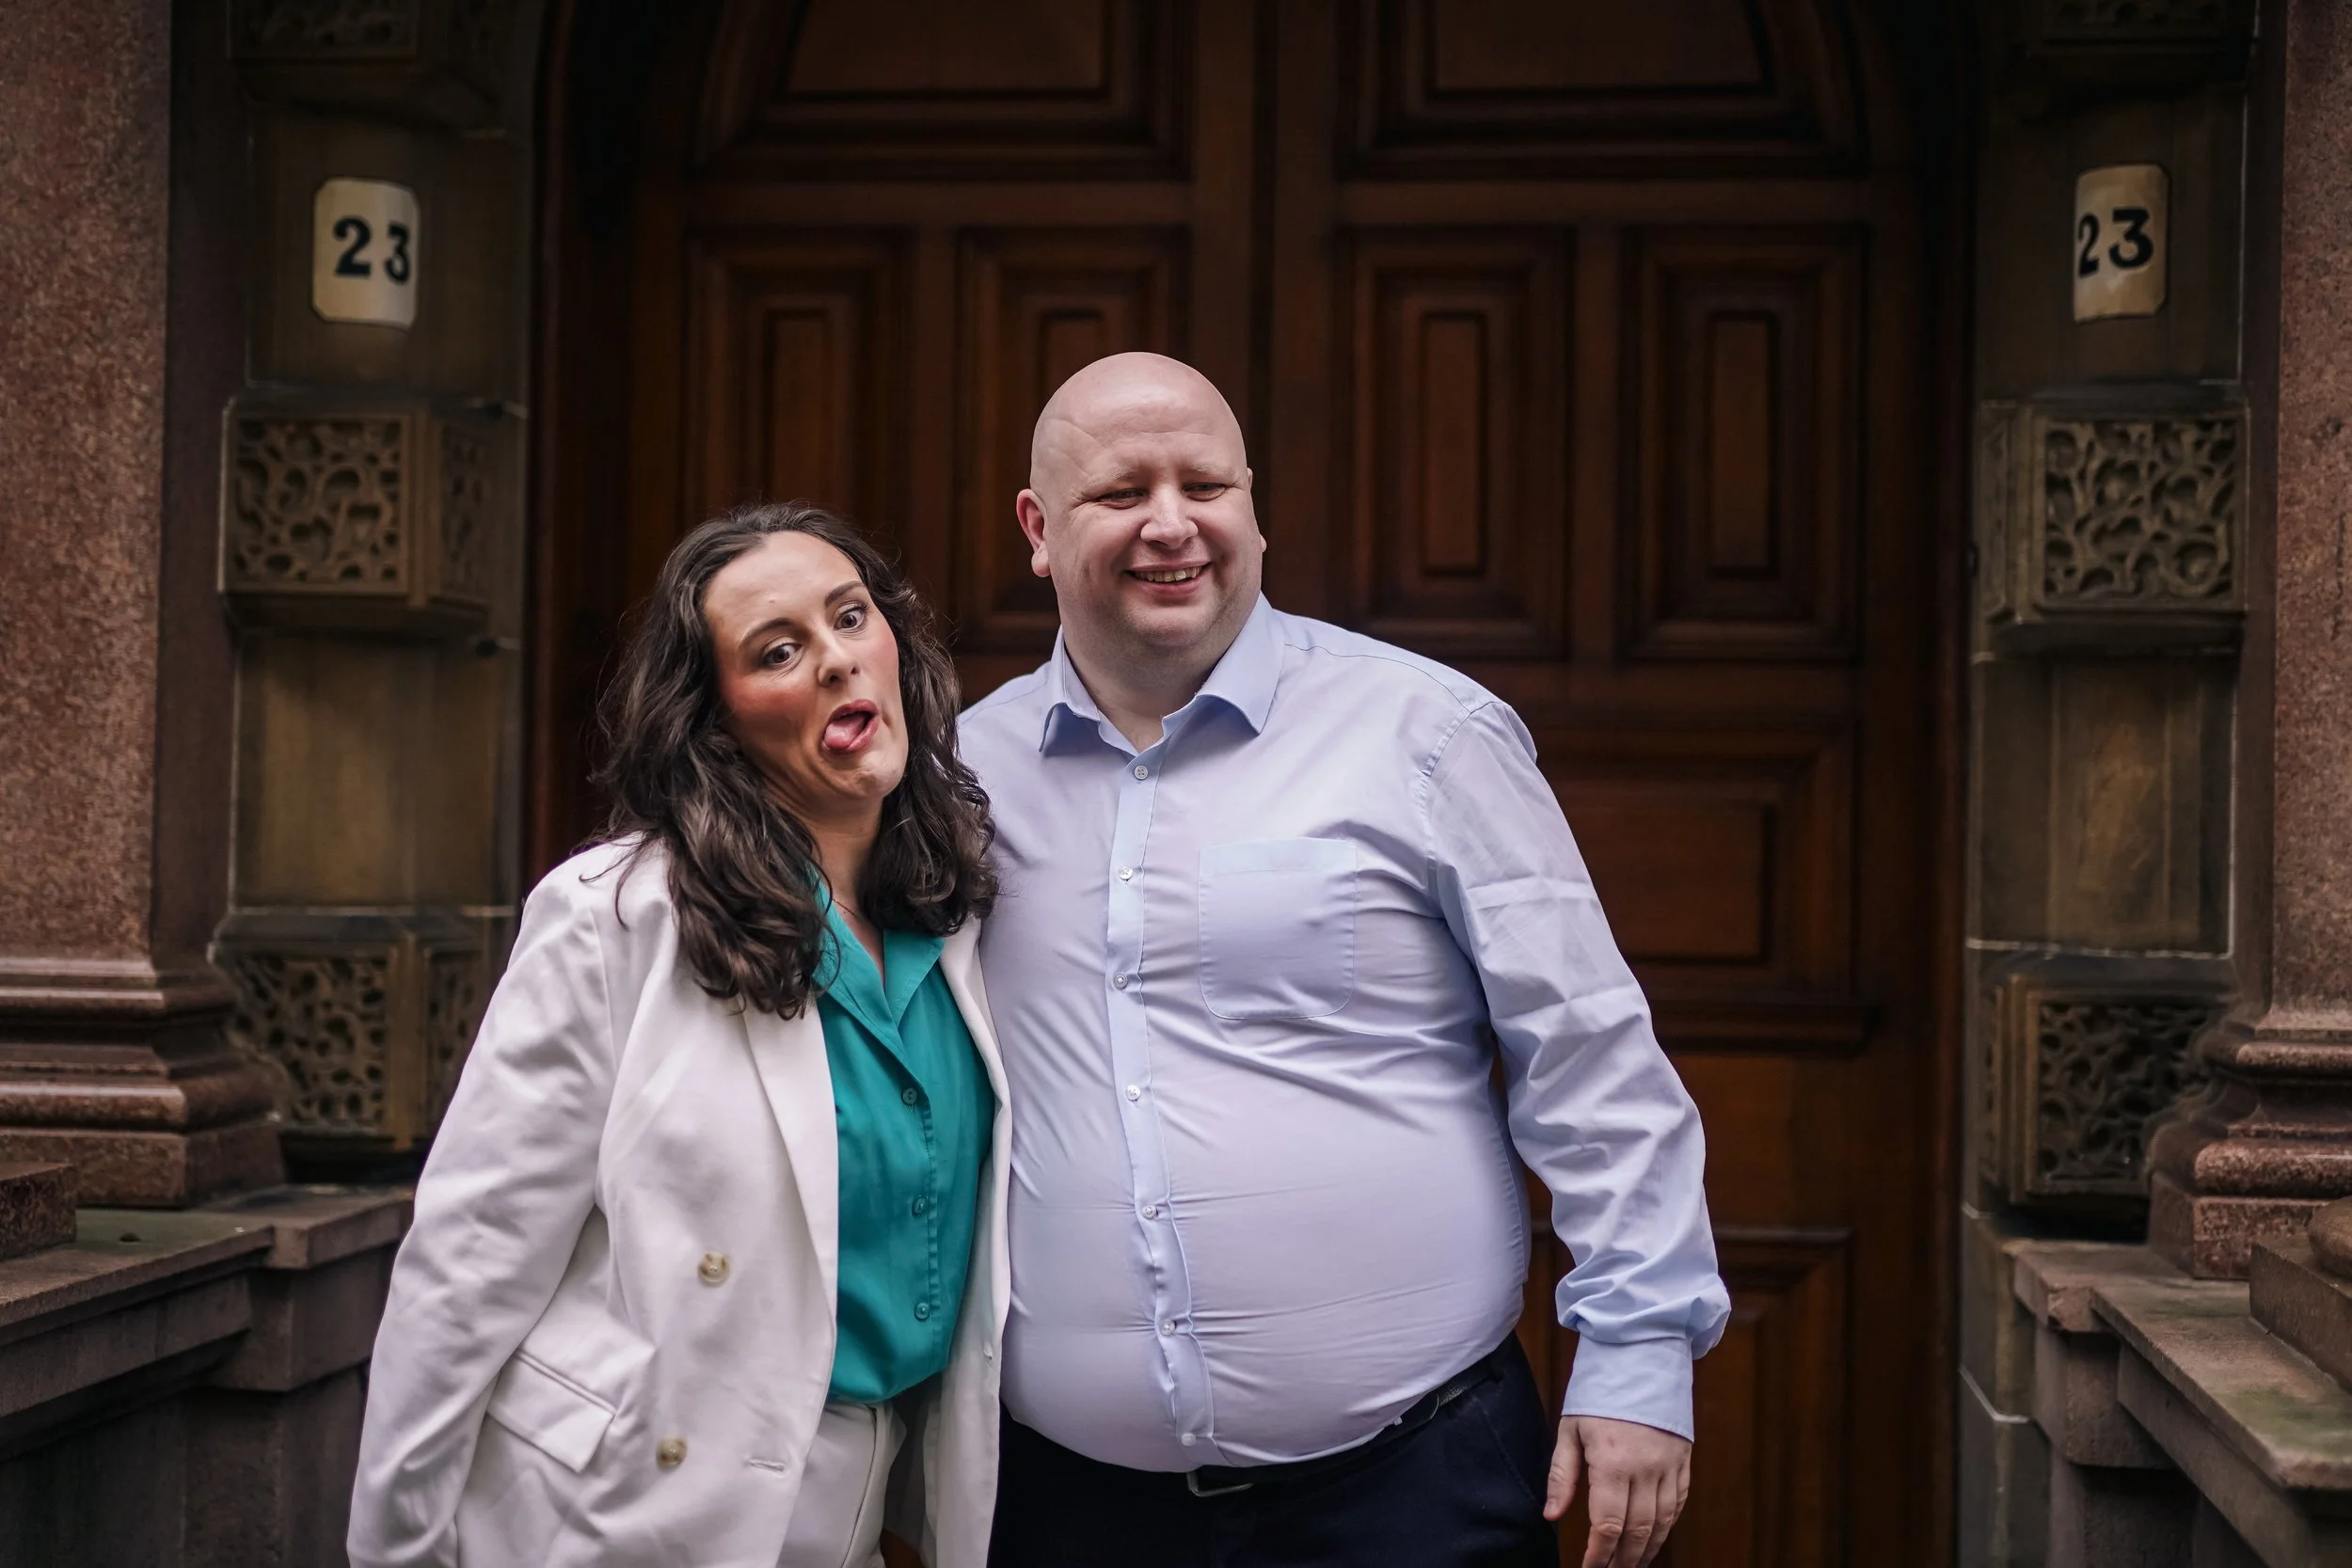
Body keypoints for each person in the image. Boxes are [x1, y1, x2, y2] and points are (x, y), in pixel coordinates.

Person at [960, 354, 1730, 1568]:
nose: (1172, 522)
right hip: (1069, 1507)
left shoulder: (1424, 733)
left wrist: (1638, 1346)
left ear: (1253, 506)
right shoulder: (958, 777)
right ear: (1037, 529)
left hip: (1410, 1493)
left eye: (1205, 483)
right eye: (1121, 491)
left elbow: (1584, 1049)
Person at [349, 504, 1009, 1568]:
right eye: (778, 651)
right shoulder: (616, 916)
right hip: (621, 1508)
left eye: (850, 616)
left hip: (861, 1501)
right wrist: (396, 1549)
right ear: (716, 720)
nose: (836, 659)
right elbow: (470, 1262)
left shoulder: (958, 907)